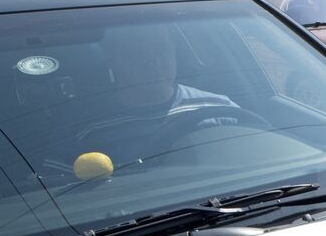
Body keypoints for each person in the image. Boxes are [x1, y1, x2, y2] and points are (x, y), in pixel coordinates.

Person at [73, 24, 243, 168]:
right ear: (113, 60)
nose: (154, 63)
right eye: (140, 54)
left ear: (175, 53)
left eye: (162, 51)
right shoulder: (90, 131)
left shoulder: (221, 109)